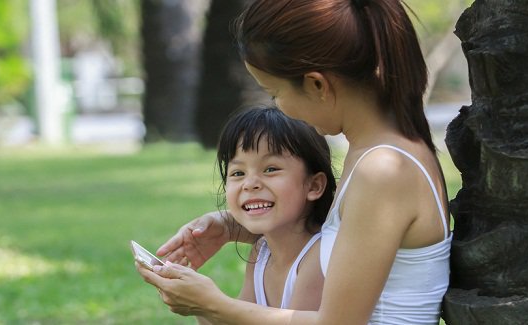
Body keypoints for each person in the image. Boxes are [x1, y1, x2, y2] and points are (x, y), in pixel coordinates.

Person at [137, 0, 452, 323]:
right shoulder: (379, 154)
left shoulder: (383, 170)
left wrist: (213, 304)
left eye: (274, 92)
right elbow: (351, 241)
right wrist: (230, 225)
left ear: (317, 85)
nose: (279, 106)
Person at [189, 107, 336, 324]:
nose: (250, 184)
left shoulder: (317, 257)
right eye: (238, 173)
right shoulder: (262, 251)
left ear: (314, 185)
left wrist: (211, 303)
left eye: (270, 169)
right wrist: (197, 302)